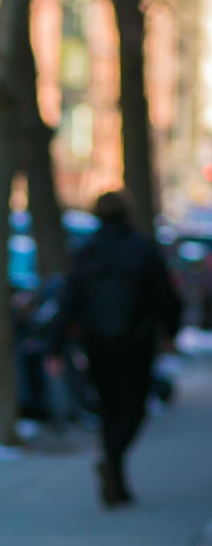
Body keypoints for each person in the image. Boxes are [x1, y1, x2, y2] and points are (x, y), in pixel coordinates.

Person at [51, 188, 181, 505]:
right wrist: (171, 330)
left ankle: (114, 470)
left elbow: (70, 299)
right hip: (136, 341)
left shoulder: (87, 251)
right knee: (133, 407)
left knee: (109, 407)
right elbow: (163, 294)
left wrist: (56, 343)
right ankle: (114, 461)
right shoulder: (142, 249)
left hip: (96, 342)